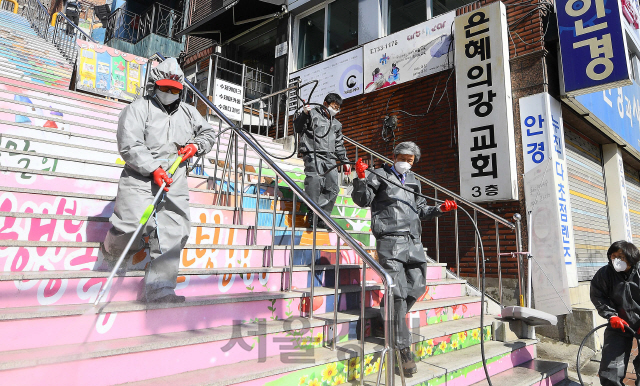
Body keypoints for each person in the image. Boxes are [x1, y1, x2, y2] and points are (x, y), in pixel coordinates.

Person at [100, 58, 216, 303]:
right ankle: (111, 251)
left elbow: (208, 132)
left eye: (175, 90)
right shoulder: (138, 108)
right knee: (132, 225)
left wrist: (196, 145)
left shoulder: (189, 112)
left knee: (175, 231)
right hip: (140, 176)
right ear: (155, 85)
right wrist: (152, 168)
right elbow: (129, 142)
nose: (169, 93)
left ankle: (159, 289)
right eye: (165, 88)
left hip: (174, 178)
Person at [351, 141, 457, 376]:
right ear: (395, 155)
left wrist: (440, 209)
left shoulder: (413, 182)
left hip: (413, 241)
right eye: (404, 157)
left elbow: (421, 210)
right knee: (397, 294)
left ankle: (385, 315)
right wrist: (360, 178)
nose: (407, 162)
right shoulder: (379, 175)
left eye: (411, 160)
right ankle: (402, 349)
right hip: (390, 239)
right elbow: (363, 200)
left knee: (417, 287)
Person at [294, 93, 351, 229]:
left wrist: (345, 160)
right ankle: (313, 213)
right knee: (315, 182)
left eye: (338, 108)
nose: (335, 110)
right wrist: (304, 114)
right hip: (313, 153)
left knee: (333, 186)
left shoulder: (336, 124)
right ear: (325, 104)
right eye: (334, 106)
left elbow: (339, 144)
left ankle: (322, 216)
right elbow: (297, 127)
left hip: (330, 157)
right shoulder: (311, 114)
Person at [591, 240, 640, 386]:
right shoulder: (605, 273)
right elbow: (597, 295)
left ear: (632, 258)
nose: (616, 261)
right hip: (619, 323)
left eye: (621, 257)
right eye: (613, 256)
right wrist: (611, 315)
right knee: (611, 367)